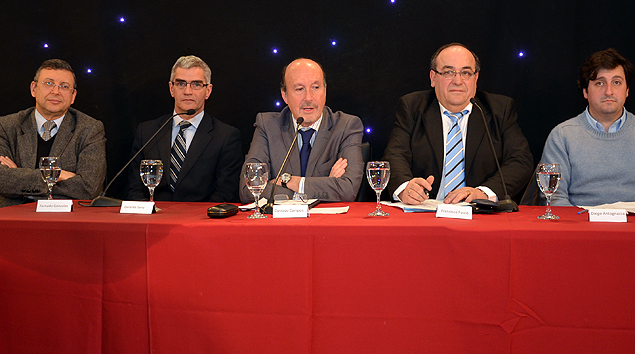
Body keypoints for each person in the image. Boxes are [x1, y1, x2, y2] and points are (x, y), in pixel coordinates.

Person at [382, 43, 533, 204]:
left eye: (466, 73)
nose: (458, 81)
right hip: (424, 209)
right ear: (433, 78)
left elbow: (521, 161)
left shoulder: (500, 109)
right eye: (449, 72)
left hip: (478, 211)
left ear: (476, 78)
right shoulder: (412, 107)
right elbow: (394, 155)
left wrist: (482, 192)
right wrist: (405, 188)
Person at [239, 58, 363, 203]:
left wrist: (289, 182)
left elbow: (348, 190)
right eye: (299, 89)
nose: (309, 98)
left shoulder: (346, 126)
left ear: (325, 90)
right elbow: (249, 189)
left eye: (316, 87)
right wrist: (325, 186)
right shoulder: (267, 125)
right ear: (285, 95)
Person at [126, 55, 242, 202]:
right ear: (171, 88)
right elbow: (134, 189)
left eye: (196, 84)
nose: (188, 91)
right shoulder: (147, 132)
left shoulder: (226, 136)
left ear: (208, 91)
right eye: (181, 84)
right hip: (154, 214)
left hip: (200, 216)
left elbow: (225, 194)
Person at [0, 59, 106, 207]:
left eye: (64, 86)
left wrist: (19, 178)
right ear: (33, 89)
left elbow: (89, 188)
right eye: (48, 83)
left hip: (64, 217)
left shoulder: (90, 129)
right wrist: (59, 174)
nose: (56, 91)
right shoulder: (6, 126)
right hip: (13, 215)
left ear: (73, 96)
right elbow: (2, 179)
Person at [539, 48, 635, 206]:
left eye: (616, 82)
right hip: (580, 220)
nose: (609, 91)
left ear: (627, 91)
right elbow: (554, 198)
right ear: (585, 92)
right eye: (599, 83)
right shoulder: (562, 136)